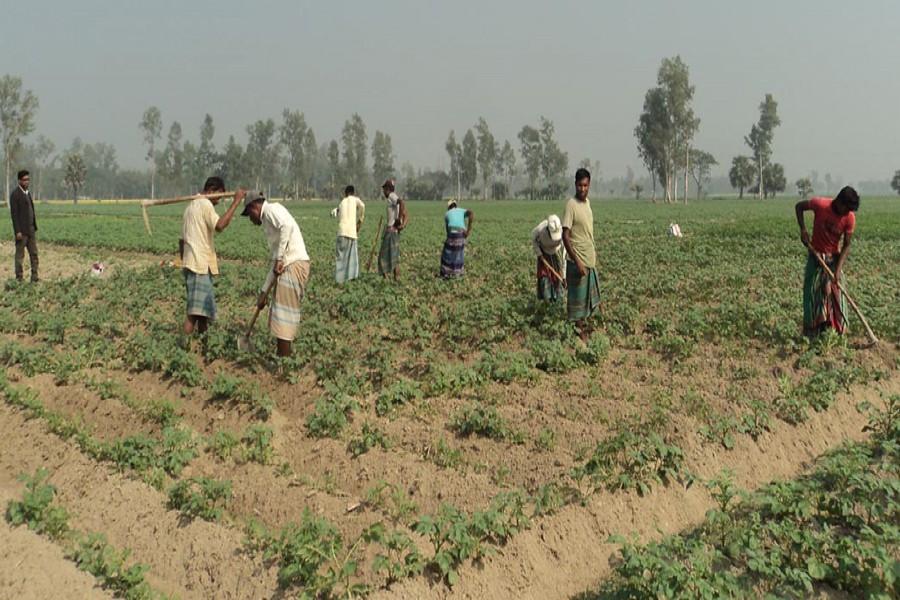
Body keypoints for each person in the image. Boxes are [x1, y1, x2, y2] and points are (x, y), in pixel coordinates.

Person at [241, 190, 311, 357]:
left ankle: (284, 364)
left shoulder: (272, 209)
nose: (250, 219)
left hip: (293, 265)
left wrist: (280, 258)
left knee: (284, 320)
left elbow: (287, 226)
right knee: (280, 318)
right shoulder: (268, 222)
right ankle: (282, 360)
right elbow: (275, 262)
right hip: (288, 265)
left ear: (253, 207)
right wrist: (264, 292)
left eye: (249, 214)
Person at [179, 177, 243, 337]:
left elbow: (181, 241)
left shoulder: (190, 207)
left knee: (202, 312)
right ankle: (181, 349)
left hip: (190, 264)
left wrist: (185, 261)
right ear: (211, 190)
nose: (219, 201)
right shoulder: (205, 204)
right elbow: (220, 225)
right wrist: (235, 203)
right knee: (194, 312)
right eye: (219, 196)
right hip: (199, 266)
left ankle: (204, 345)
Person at [795, 186, 860, 337]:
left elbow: (846, 245)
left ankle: (837, 332)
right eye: (846, 208)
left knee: (837, 297)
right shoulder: (820, 204)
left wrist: (837, 270)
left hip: (833, 259)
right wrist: (803, 230)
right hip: (816, 256)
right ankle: (812, 332)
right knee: (811, 295)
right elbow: (799, 207)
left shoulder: (849, 218)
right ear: (839, 202)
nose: (847, 212)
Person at [562, 168, 601, 329]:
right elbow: (565, 235)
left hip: (589, 259)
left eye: (585, 185)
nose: (582, 189)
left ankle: (588, 328)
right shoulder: (571, 205)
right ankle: (580, 332)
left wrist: (593, 250)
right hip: (577, 261)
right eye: (579, 185)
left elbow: (587, 231)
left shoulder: (587, 203)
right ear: (575, 184)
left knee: (590, 300)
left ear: (589, 184)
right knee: (577, 302)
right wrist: (577, 261)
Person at [331, 185, 365, 283]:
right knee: (352, 256)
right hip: (351, 232)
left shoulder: (342, 202)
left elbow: (337, 213)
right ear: (352, 193)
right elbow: (362, 206)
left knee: (340, 256)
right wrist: (360, 220)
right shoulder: (355, 200)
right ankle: (352, 278)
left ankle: (339, 280)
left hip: (341, 232)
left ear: (345, 193)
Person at [9, 169, 38, 282]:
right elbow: (14, 215)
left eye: (28, 179)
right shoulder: (15, 195)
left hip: (31, 230)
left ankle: (34, 277)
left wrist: (34, 226)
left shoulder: (27, 193)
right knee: (20, 257)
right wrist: (17, 231)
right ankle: (19, 278)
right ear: (19, 181)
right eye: (25, 180)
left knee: (34, 255)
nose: (27, 182)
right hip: (22, 232)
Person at [378, 179, 408, 280]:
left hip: (391, 231)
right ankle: (396, 278)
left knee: (382, 257)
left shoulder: (392, 197)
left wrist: (398, 220)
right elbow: (406, 214)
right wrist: (402, 225)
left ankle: (386, 279)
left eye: (384, 189)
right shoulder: (395, 201)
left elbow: (401, 202)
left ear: (387, 189)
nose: (383, 192)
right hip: (396, 232)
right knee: (394, 256)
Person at [531, 214, 566, 301]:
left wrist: (564, 276)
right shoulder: (540, 229)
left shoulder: (562, 232)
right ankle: (547, 299)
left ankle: (558, 299)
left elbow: (564, 256)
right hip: (543, 253)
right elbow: (533, 240)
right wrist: (540, 254)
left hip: (556, 254)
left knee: (558, 277)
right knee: (544, 276)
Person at [439, 199, 473, 278]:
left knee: (446, 253)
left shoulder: (447, 214)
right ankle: (458, 272)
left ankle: (445, 273)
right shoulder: (461, 210)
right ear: (455, 205)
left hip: (452, 233)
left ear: (448, 207)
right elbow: (471, 213)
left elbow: (447, 230)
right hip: (461, 233)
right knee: (459, 253)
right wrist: (468, 230)